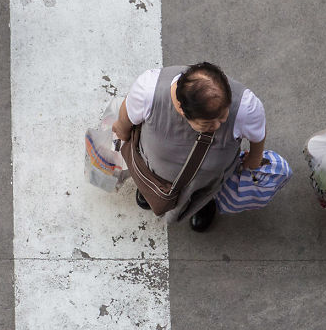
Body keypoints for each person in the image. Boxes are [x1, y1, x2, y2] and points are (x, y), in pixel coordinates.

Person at [112, 62, 272, 232]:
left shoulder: (246, 106)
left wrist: (255, 157)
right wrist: (121, 129)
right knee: (148, 176)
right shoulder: (149, 90)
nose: (220, 124)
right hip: (151, 169)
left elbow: (258, 134)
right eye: (208, 123)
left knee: (202, 193)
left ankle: (201, 205)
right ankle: (149, 191)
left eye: (223, 114)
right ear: (181, 109)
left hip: (202, 183)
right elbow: (127, 113)